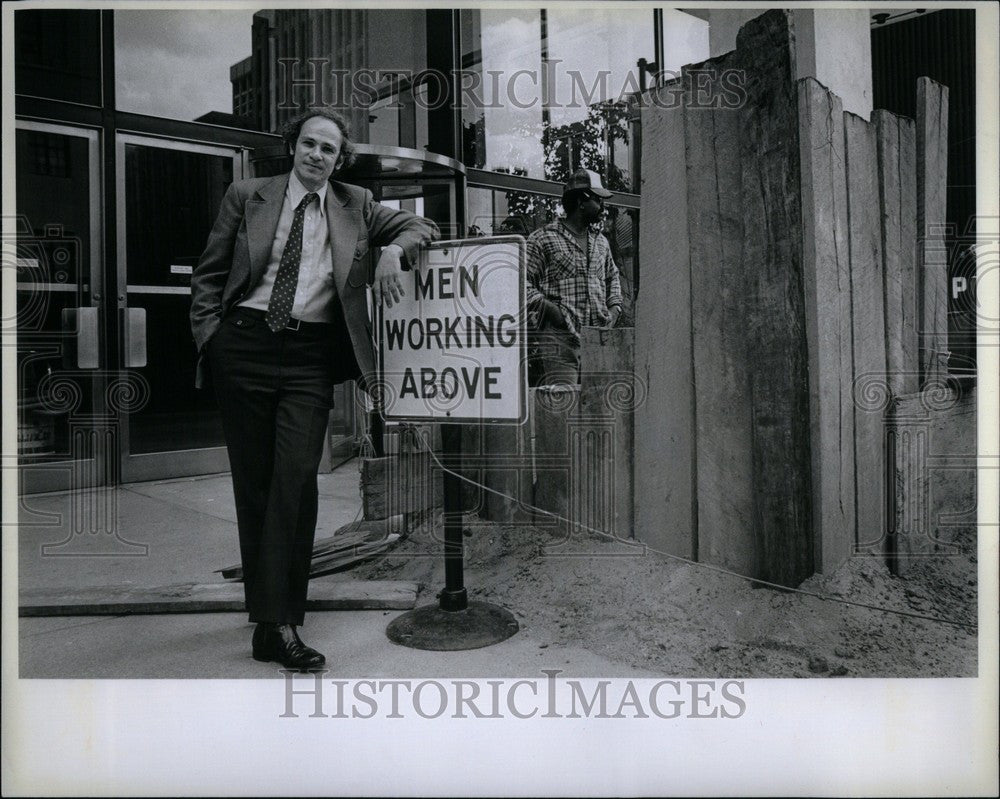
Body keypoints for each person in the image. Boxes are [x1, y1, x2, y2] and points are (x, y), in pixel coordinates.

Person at [190, 108, 438, 670]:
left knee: (297, 481)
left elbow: (420, 227)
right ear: (292, 146)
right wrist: (213, 340)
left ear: (339, 158)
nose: (317, 155)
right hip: (244, 346)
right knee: (255, 486)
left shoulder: (357, 204)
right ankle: (269, 623)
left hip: (309, 356)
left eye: (329, 149)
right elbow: (208, 274)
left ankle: (281, 621)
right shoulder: (247, 194)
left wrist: (393, 253)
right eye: (309, 144)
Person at [526, 168, 623, 386]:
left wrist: (614, 311)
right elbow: (521, 284)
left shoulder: (600, 242)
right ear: (581, 201)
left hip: (597, 340)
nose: (603, 208)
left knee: (598, 407)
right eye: (598, 200)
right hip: (559, 341)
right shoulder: (543, 239)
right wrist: (553, 312)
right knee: (565, 407)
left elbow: (612, 278)